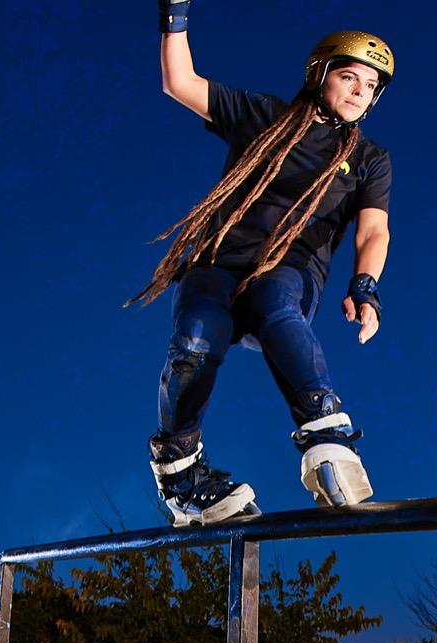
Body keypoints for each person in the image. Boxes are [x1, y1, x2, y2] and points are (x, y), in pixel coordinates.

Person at [128, 4, 395, 525]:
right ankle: (180, 470)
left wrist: (365, 285)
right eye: (349, 76)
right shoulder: (265, 116)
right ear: (319, 75)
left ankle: (325, 431)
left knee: (273, 299)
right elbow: (179, 82)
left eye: (370, 84)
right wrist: (175, 12)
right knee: (193, 344)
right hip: (218, 260)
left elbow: (374, 229)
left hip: (290, 268)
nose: (360, 91)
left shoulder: (368, 158)